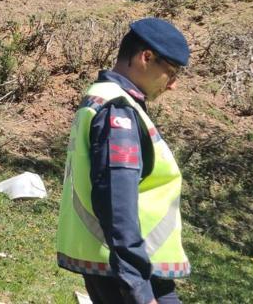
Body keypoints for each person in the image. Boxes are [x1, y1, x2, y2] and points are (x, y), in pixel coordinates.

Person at [56, 18, 191, 304]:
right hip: (131, 272)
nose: (173, 85)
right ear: (146, 57)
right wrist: (139, 291)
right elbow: (117, 203)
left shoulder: (103, 99)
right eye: (172, 72)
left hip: (119, 266)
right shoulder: (118, 111)